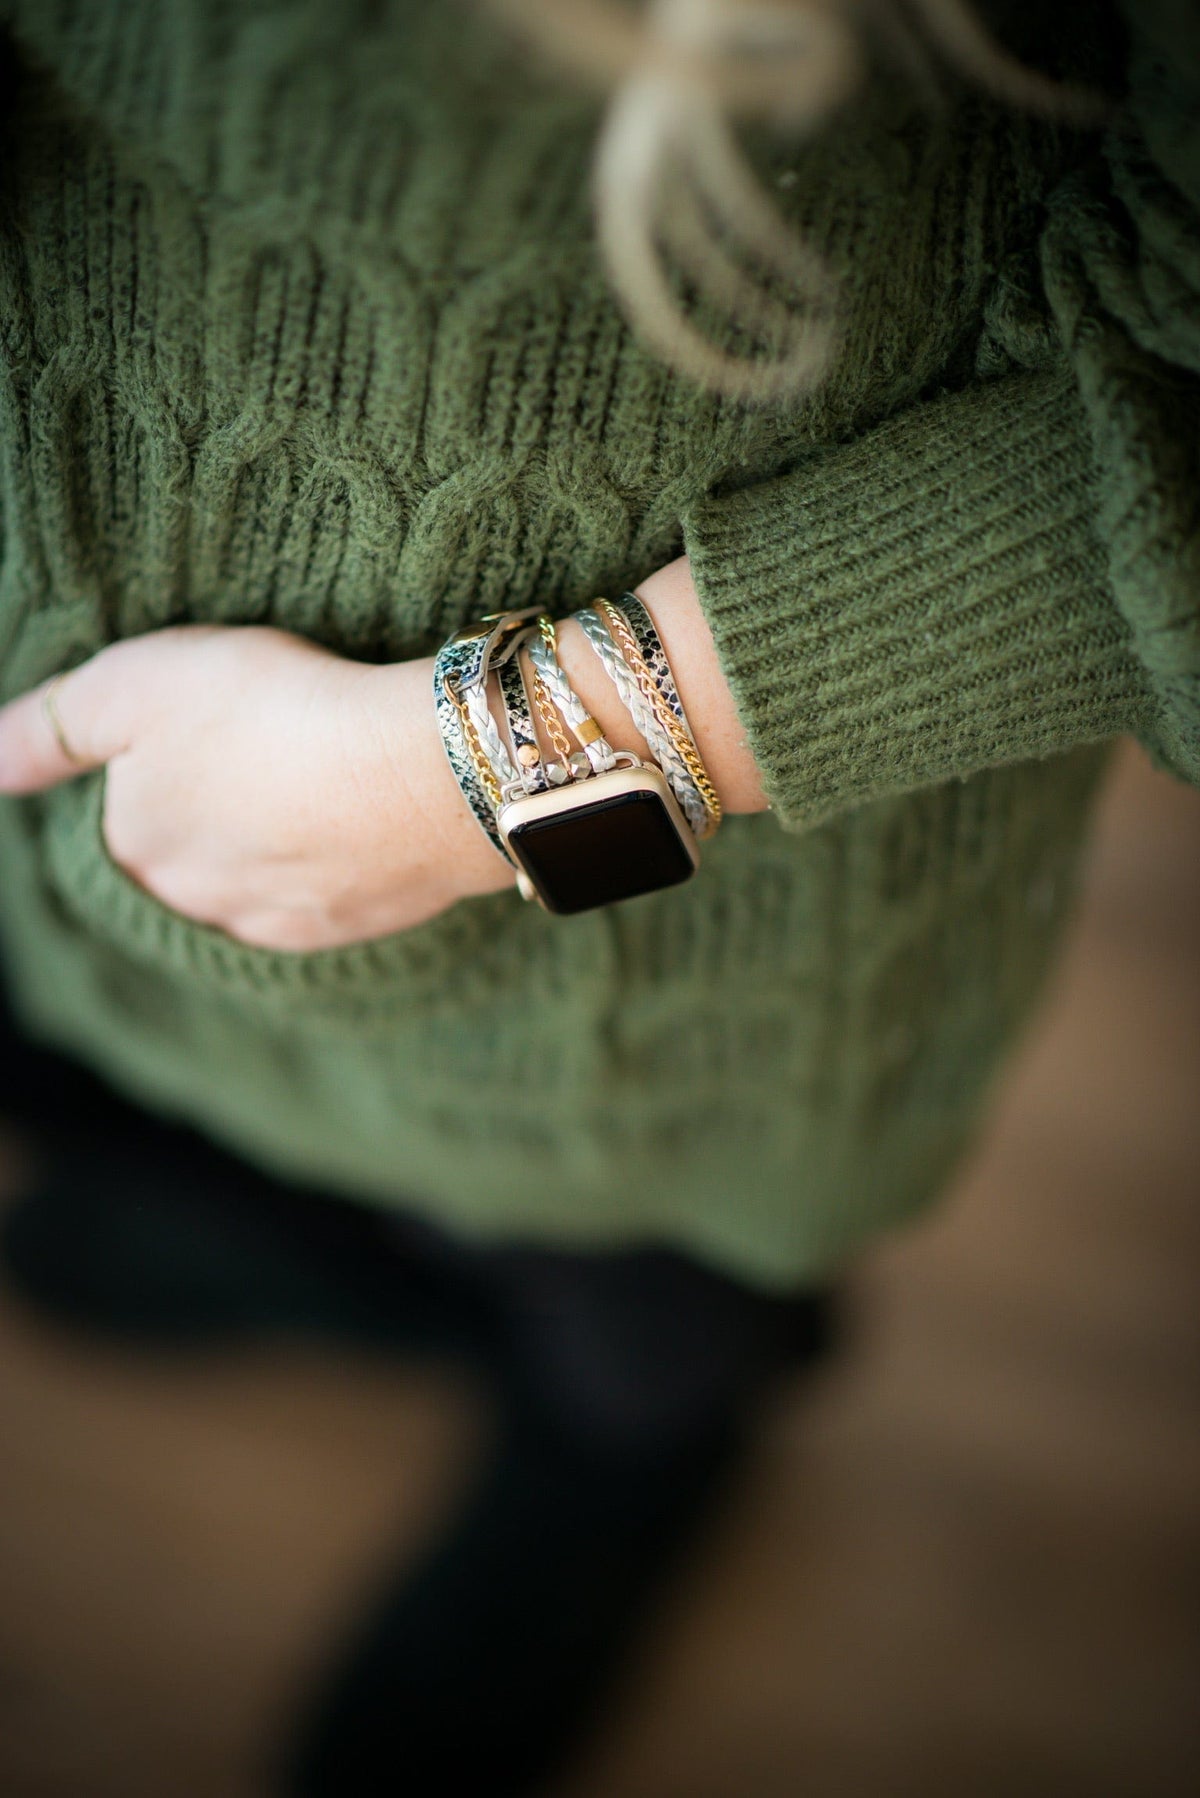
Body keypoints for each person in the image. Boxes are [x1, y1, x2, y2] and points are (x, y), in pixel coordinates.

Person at [0, 0, 1195, 1792]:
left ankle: (614, 1465)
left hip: (694, 991)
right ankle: (383, 1284)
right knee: (125, 1116)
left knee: (641, 1317)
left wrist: (481, 774)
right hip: (70, 842)